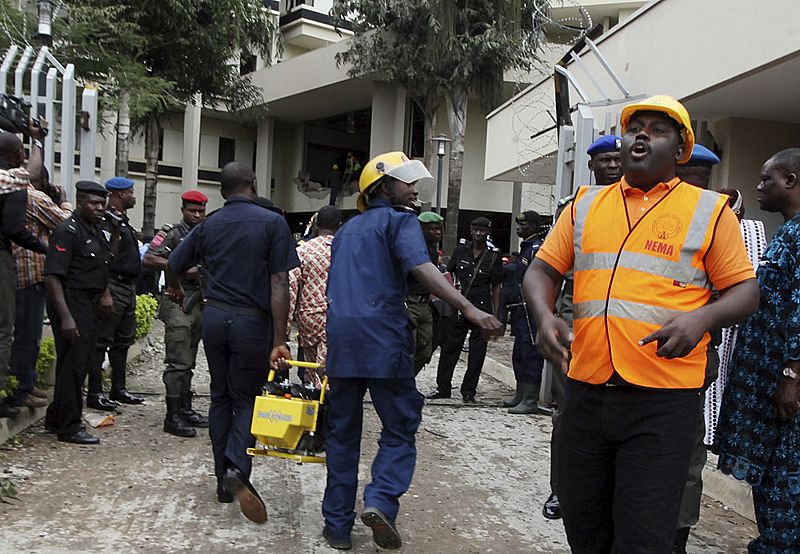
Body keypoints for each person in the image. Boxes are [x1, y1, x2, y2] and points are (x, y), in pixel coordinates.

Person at [524, 95, 759, 553]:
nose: (642, 136)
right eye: (636, 128)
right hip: (587, 391)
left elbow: (745, 292)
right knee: (585, 527)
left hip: (662, 401)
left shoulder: (709, 211)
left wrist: (701, 319)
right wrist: (545, 314)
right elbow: (542, 270)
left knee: (644, 537)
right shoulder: (586, 205)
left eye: (658, 130)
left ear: (680, 150)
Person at [315, 151, 501, 551]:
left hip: (343, 342)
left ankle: (337, 526)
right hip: (383, 337)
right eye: (406, 182)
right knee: (399, 426)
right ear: (383, 187)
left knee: (342, 433)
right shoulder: (401, 221)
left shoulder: (347, 230)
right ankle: (380, 501)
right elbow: (423, 270)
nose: (414, 189)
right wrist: (470, 309)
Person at [166, 162, 298, 524]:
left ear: (222, 192)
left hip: (214, 319)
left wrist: (175, 288)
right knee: (247, 399)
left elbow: (173, 261)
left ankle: (223, 482)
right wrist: (280, 340)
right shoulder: (272, 223)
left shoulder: (209, 224)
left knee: (220, 396)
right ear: (253, 185)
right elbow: (279, 284)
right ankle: (237, 468)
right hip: (250, 323)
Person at [714, 149, 800, 554]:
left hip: (787, 387)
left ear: (792, 181)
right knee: (770, 479)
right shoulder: (788, 231)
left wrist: (791, 376)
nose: (759, 186)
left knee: (785, 482)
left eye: (768, 179)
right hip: (768, 383)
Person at [542, 133, 621, 520]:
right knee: (569, 405)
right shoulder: (575, 207)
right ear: (591, 166)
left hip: (625, 312)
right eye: (605, 160)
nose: (613, 165)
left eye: (617, 159)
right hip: (578, 306)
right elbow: (550, 268)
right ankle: (562, 489)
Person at [670, 143, 724, 552]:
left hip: (692, 359)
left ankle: (678, 535)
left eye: (701, 182)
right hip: (635, 358)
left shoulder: (720, 224)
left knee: (687, 455)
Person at [43, 181, 114, 444]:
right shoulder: (67, 231)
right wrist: (66, 317)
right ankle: (70, 428)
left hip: (90, 302)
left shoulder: (95, 229)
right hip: (72, 302)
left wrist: (105, 293)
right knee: (74, 367)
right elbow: (52, 276)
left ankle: (55, 418)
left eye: (101, 203)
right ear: (80, 201)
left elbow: (100, 265)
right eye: (93, 203)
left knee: (74, 365)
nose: (99, 208)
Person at [143, 190, 210, 437]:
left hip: (200, 300)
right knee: (178, 361)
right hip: (177, 297)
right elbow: (149, 259)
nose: (197, 215)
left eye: (201, 211)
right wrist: (178, 266)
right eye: (192, 210)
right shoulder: (171, 232)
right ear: (183, 210)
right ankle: (172, 417)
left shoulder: (206, 233)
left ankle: (185, 408)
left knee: (190, 360)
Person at [705, 188, 766, 445]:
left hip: (743, 315)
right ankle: (711, 429)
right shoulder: (710, 224)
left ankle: (721, 430)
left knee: (733, 374)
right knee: (714, 376)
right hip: (715, 317)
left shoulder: (752, 229)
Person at [8, 166, 71, 410]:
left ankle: (25, 381)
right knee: (28, 336)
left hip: (15, 272)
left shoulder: (11, 193)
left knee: (22, 334)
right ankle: (21, 389)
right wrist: (64, 202)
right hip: (32, 275)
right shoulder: (35, 197)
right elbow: (65, 224)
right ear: (42, 180)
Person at [0, 121, 48, 419]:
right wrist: (37, 141)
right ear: (16, 153)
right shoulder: (6, 179)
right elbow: (31, 172)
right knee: (5, 328)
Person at [84, 177, 144, 411]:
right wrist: (105, 292)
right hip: (113, 285)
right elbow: (103, 260)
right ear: (119, 195)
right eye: (131, 192)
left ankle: (118, 388)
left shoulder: (121, 221)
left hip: (128, 287)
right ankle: (96, 392)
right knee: (101, 342)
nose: (133, 196)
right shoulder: (106, 222)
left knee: (123, 340)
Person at [427, 216, 502, 403]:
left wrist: (497, 313)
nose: (479, 233)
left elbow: (496, 287)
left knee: (477, 353)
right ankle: (443, 388)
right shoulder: (461, 251)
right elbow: (447, 275)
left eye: (483, 230)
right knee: (449, 349)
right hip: (458, 308)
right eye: (475, 230)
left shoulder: (493, 256)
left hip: (482, 310)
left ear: (488, 232)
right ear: (470, 230)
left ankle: (469, 392)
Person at [287, 205, 341, 387]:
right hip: (339, 315)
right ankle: (330, 402)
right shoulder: (346, 250)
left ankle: (313, 399)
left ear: (316, 225)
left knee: (311, 367)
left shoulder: (302, 251)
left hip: (309, 318)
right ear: (339, 226)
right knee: (333, 368)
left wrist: (285, 330)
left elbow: (291, 290)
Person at [502, 211, 549, 414]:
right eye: (518, 225)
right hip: (519, 308)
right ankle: (520, 394)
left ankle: (530, 399)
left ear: (535, 226)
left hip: (531, 308)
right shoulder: (526, 248)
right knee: (519, 353)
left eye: (524, 225)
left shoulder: (537, 248)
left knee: (530, 353)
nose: (519, 228)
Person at [407, 211, 443, 375]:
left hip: (425, 305)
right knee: (408, 350)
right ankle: (401, 388)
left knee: (425, 352)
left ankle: (406, 382)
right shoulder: (411, 248)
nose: (437, 233)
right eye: (432, 229)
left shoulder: (433, 251)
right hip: (409, 303)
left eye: (439, 229)